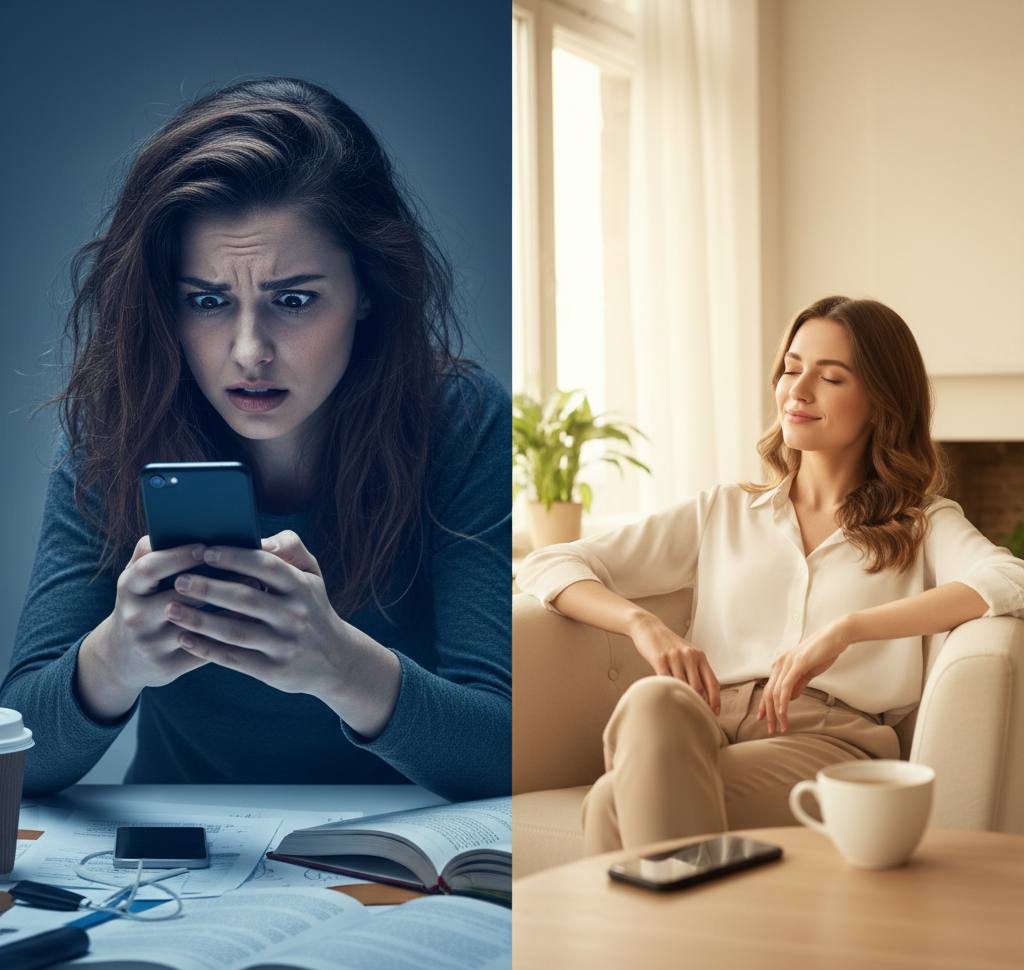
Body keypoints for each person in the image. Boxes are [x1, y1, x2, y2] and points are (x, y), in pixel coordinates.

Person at [1, 77, 510, 800]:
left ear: (368, 290)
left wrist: (341, 666)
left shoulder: (457, 418)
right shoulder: (118, 421)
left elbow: (506, 752)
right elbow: (18, 753)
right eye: (208, 301)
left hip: (401, 856)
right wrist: (114, 659)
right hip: (187, 868)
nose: (248, 351)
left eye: (294, 300)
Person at [516, 295, 1024, 854]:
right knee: (653, 699)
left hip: (823, 740)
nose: (798, 391)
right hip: (701, 719)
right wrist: (642, 624)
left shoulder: (921, 524)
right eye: (791, 368)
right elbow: (550, 562)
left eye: (829, 378)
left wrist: (847, 630)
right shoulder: (724, 511)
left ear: (881, 404)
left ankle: (661, 933)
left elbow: (1007, 578)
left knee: (615, 803)